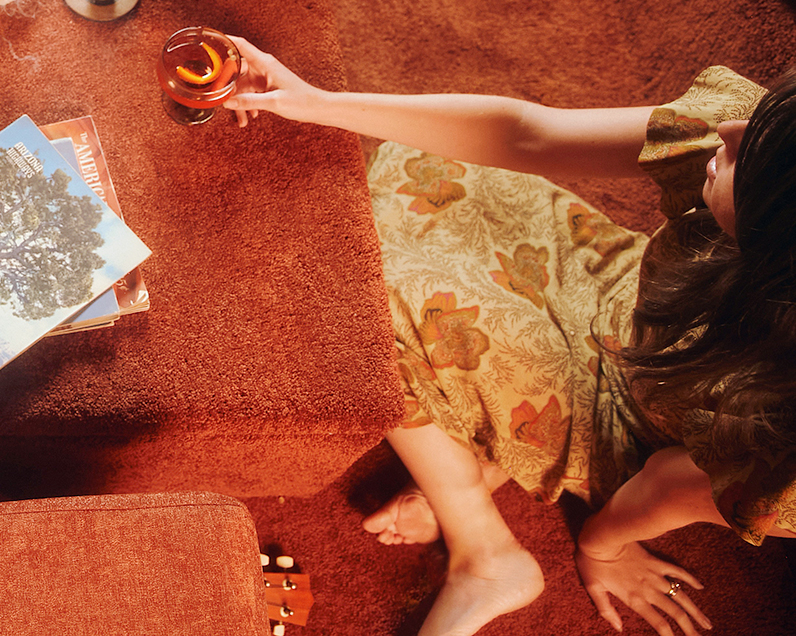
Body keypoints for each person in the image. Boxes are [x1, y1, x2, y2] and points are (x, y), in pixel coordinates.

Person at [222, 41, 796, 636]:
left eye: (754, 158)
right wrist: (314, 101)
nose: (730, 130)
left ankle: (485, 551)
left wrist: (603, 551)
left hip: (629, 425)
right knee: (429, 157)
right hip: (617, 292)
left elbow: (659, 488)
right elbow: (527, 135)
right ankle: (473, 469)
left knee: (346, 297)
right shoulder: (761, 135)